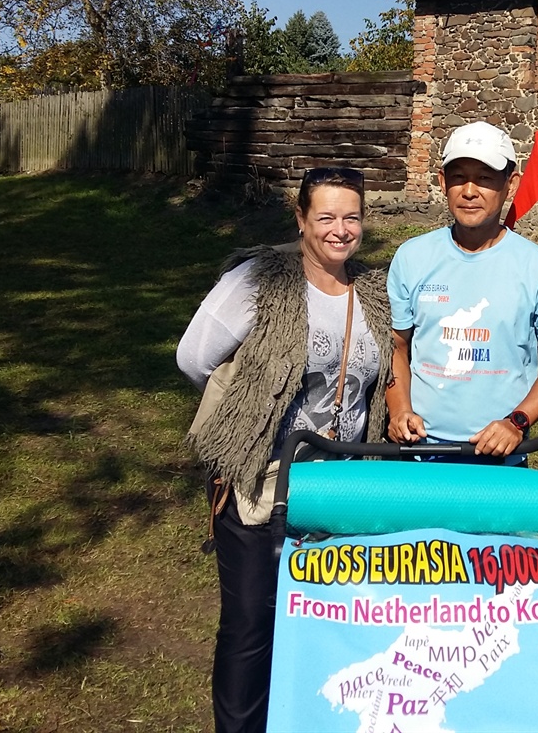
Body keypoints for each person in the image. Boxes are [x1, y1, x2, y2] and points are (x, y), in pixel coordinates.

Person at [176, 167, 392, 733]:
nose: (340, 230)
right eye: (325, 217)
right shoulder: (261, 281)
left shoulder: (371, 291)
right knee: (251, 626)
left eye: (351, 216)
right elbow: (194, 357)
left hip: (338, 491)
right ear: (300, 219)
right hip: (259, 482)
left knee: (323, 620)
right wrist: (248, 411)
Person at [386, 121, 538, 461]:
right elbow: (396, 347)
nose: (469, 190)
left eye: (486, 178)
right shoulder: (412, 257)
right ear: (441, 181)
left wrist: (517, 422)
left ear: (511, 184)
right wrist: (400, 409)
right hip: (419, 452)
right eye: (459, 177)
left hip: (500, 458)